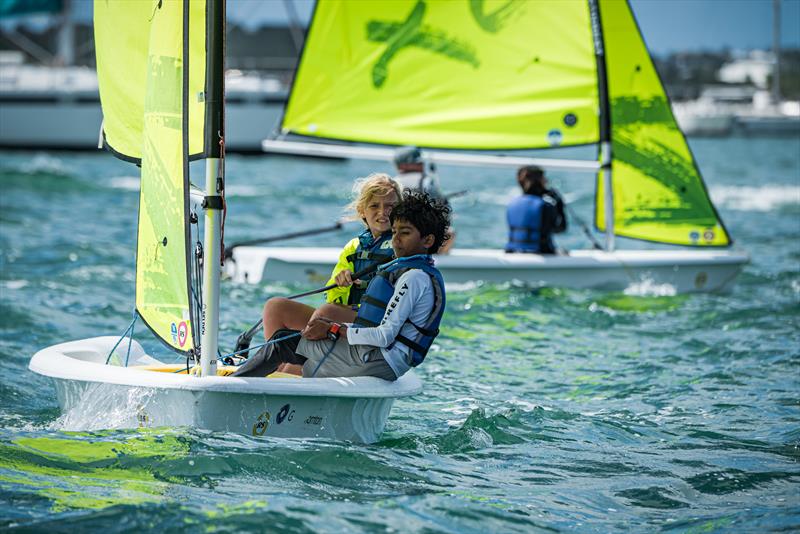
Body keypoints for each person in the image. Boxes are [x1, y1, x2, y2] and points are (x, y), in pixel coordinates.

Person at [233, 190, 451, 381]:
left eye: (405, 233)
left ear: (428, 241)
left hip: (377, 359)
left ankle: (232, 387)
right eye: (394, 232)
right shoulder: (415, 272)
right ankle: (254, 383)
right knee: (291, 344)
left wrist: (334, 329)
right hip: (376, 355)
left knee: (282, 344)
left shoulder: (414, 277)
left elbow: (384, 336)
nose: (396, 240)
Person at [260, 173, 402, 345]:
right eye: (374, 206)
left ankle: (297, 359)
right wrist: (341, 284)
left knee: (326, 314)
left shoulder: (403, 243)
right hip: (347, 317)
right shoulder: (353, 247)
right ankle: (276, 357)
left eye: (390, 206)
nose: (383, 212)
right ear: (362, 211)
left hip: (376, 324)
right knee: (275, 307)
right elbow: (332, 298)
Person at [394, 146, 455, 253]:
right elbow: (442, 212)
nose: (422, 164)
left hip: (396, 236)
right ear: (404, 165)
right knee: (450, 233)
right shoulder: (427, 182)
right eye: (418, 163)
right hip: (420, 239)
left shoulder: (393, 182)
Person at [505, 165, 567, 254]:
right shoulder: (545, 206)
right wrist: (559, 204)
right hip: (540, 253)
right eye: (544, 179)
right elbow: (560, 228)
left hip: (514, 252)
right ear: (539, 181)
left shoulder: (512, 204)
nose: (546, 181)